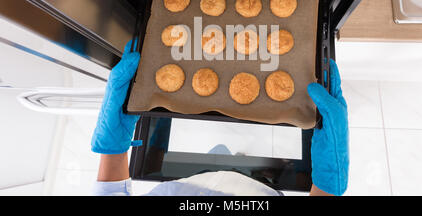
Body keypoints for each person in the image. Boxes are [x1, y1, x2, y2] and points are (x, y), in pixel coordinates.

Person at [91, 41, 349, 196]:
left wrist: (113, 147)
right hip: (260, 190)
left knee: (219, 153)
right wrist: (327, 181)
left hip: (183, 185)